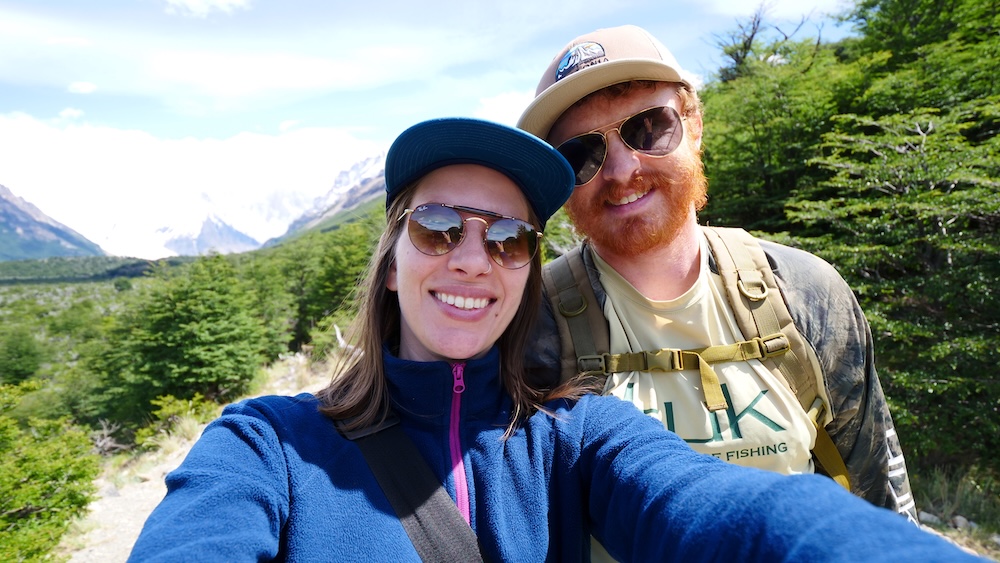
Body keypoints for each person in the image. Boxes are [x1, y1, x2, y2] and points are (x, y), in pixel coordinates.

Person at [126, 117, 976, 562]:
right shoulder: (265, 444)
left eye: (507, 239)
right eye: (437, 227)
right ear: (389, 262)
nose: (472, 257)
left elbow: (728, 512)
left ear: (530, 271)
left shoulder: (576, 436)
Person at [518, 24, 917, 521]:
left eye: (646, 128)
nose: (621, 171)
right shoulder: (530, 324)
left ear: (695, 124)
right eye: (581, 154)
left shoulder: (805, 293)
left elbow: (879, 494)